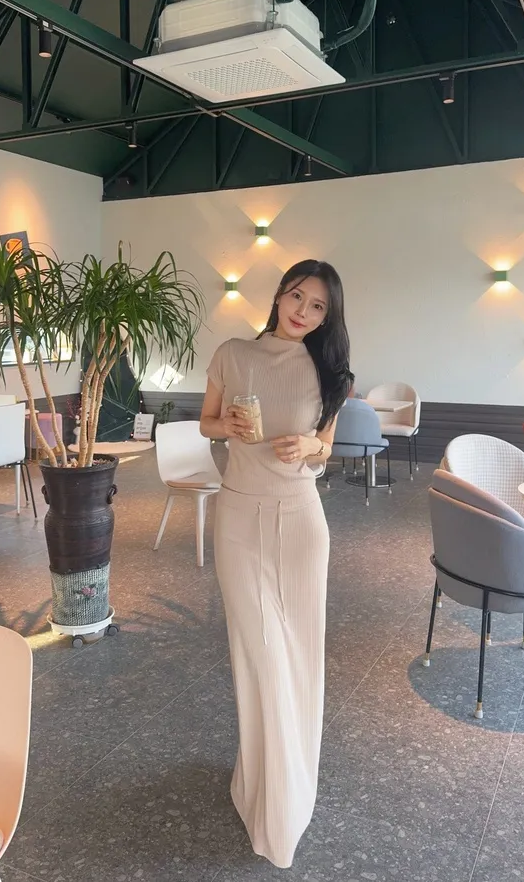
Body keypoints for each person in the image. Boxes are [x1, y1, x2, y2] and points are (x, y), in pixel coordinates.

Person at [200, 259, 354, 869]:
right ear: (279, 295)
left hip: (301, 522)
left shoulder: (329, 371)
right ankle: (261, 786)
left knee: (300, 655)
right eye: (297, 297)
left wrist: (312, 444)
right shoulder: (233, 354)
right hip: (240, 518)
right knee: (261, 655)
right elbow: (206, 422)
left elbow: (327, 447)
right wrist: (228, 426)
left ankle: (288, 792)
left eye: (318, 307)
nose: (303, 312)